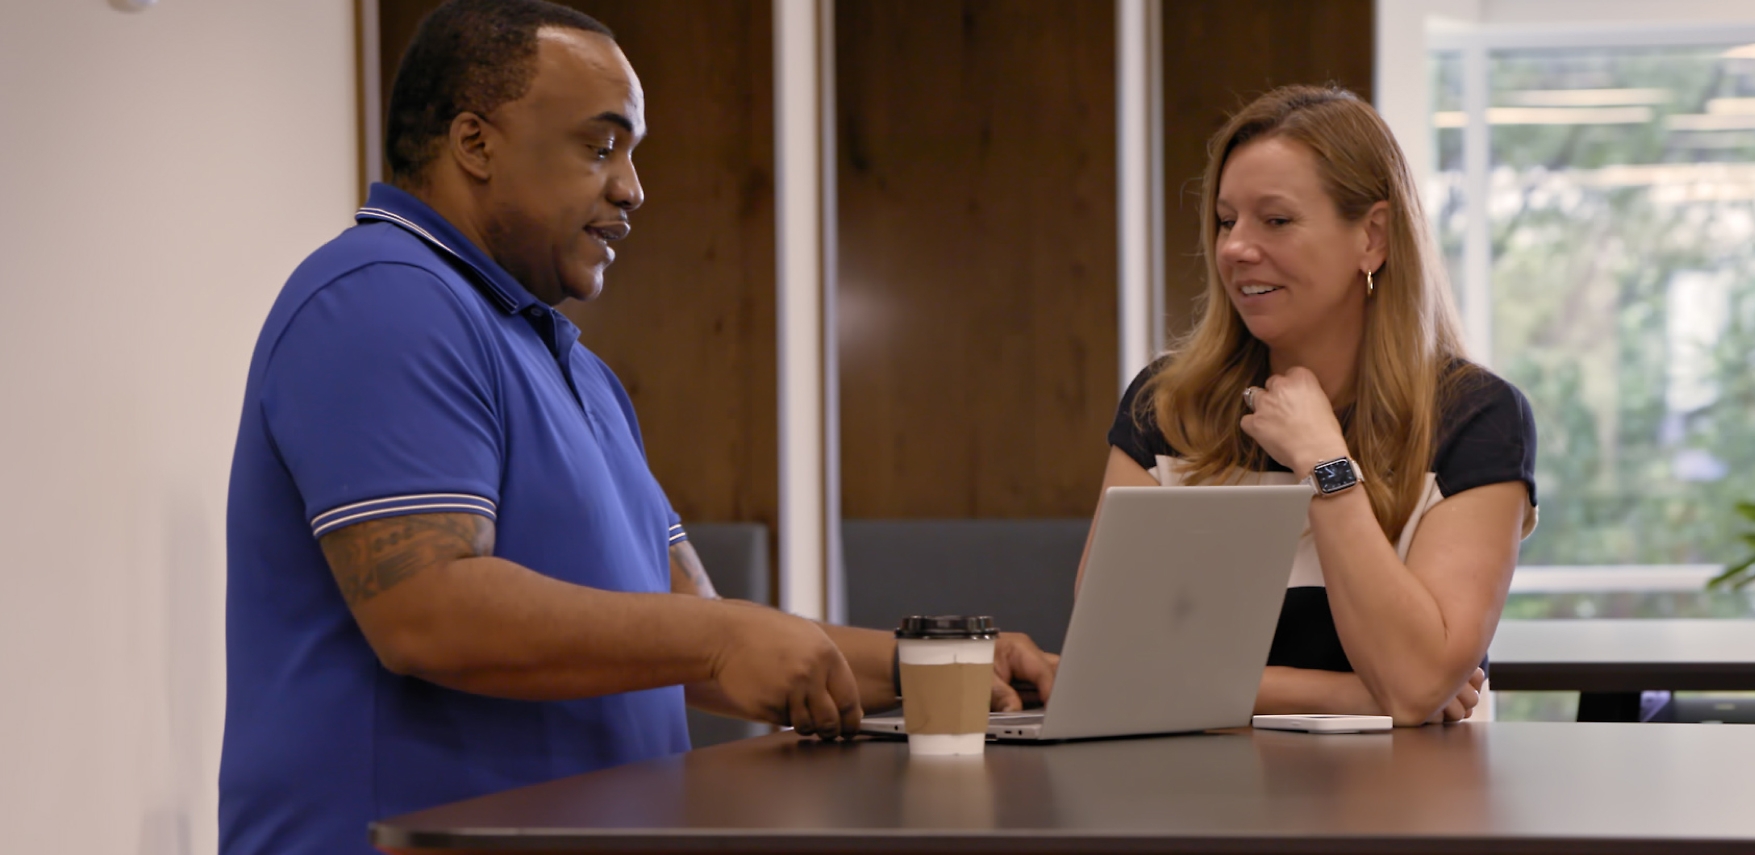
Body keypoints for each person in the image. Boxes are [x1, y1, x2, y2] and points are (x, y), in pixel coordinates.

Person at [220, 3, 1053, 854]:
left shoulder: (574, 367)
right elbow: (429, 609)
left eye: (632, 152)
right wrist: (722, 639)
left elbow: (684, 617)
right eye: (599, 145)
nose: (631, 186)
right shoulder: (379, 295)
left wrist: (949, 666)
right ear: (474, 143)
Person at [1088, 84, 1536, 726]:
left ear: (1373, 238)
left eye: (1276, 220)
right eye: (1225, 220)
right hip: (1189, 802)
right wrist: (1351, 695)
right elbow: (1111, 665)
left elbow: (1412, 683)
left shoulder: (1475, 417)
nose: (1236, 248)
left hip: (1404, 807)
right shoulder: (1168, 406)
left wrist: (1326, 461)